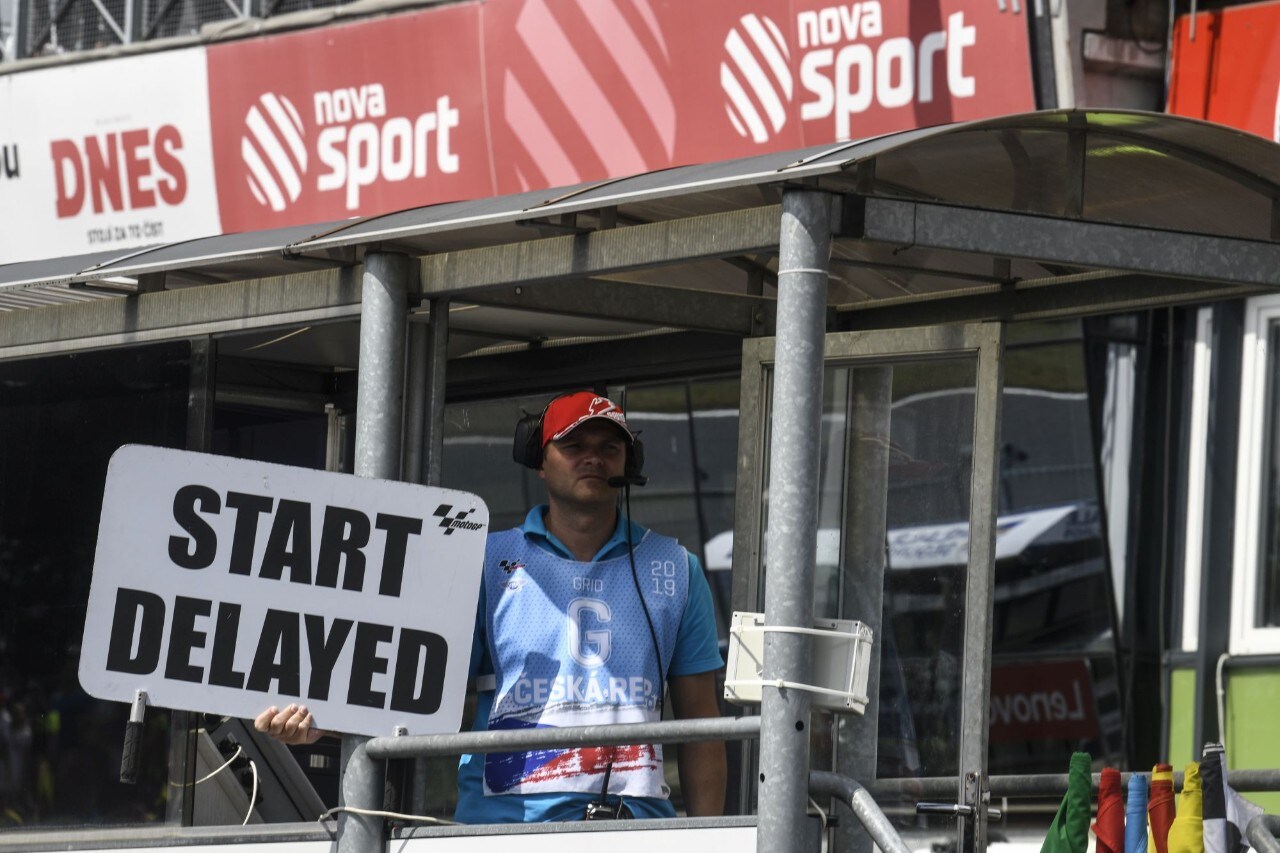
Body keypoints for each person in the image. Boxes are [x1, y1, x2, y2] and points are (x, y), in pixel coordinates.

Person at [257, 390, 727, 822]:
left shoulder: (676, 568)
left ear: (630, 461)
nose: (593, 458)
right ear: (539, 461)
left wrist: (709, 838)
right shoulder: (483, 562)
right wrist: (323, 724)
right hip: (503, 832)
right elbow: (416, 694)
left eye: (610, 447)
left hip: (638, 832)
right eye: (573, 445)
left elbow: (701, 725)